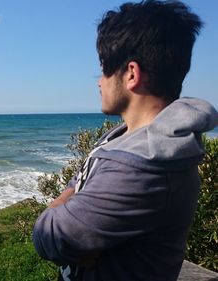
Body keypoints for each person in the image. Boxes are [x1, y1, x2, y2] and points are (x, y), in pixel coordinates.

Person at [32, 1, 218, 280]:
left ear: (131, 73)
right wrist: (71, 198)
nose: (99, 82)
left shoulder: (142, 166)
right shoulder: (124, 137)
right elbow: (78, 181)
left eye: (105, 68)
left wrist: (55, 208)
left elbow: (50, 235)